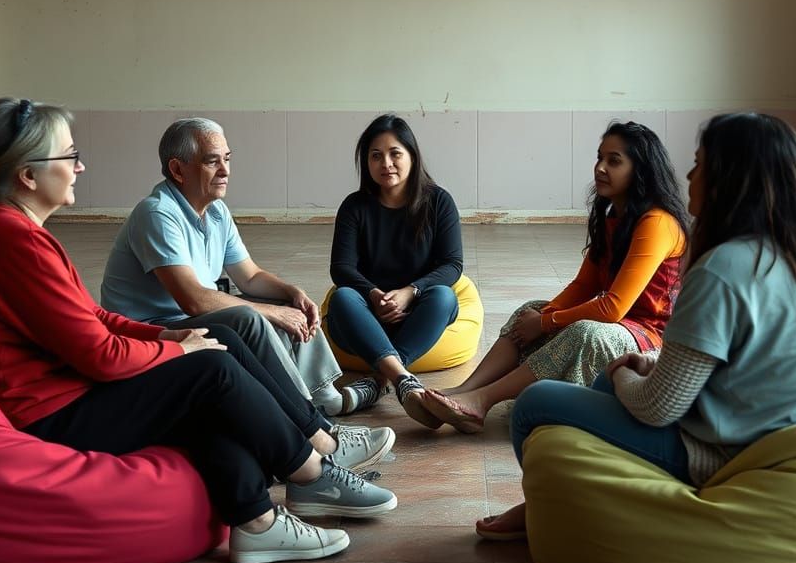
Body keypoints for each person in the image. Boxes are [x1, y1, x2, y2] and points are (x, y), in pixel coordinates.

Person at [0, 97, 398, 563]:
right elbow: (100, 355)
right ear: (28, 175)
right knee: (211, 372)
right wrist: (176, 349)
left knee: (219, 346)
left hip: (60, 388)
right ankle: (312, 472)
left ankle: (257, 520)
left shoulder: (11, 232)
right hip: (48, 412)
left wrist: (171, 341)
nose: (80, 168)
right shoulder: (13, 243)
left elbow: (93, 318)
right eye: (71, 157)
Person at [479, 112, 796, 540]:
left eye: (700, 163)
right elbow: (744, 361)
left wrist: (622, 372)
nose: (688, 175)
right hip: (794, 435)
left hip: (735, 455)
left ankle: (545, 507)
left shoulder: (722, 267)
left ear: (732, 180)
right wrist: (644, 367)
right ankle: (555, 487)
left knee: (535, 404)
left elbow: (659, 407)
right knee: (616, 379)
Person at [422, 122, 688, 432]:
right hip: (620, 327)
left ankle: (481, 402)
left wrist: (546, 323)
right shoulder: (613, 217)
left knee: (585, 332)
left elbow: (613, 307)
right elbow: (584, 286)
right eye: (599, 157)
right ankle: (462, 391)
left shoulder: (657, 222)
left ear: (640, 170)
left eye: (614, 161)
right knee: (529, 309)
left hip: (650, 342)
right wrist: (540, 317)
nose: (600, 168)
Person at [101, 118, 348, 418]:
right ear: (178, 170)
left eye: (227, 159)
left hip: (191, 315)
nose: (226, 171)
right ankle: (303, 416)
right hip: (154, 328)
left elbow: (250, 276)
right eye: (212, 162)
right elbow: (193, 299)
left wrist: (291, 293)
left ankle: (324, 396)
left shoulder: (216, 211)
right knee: (250, 316)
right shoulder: (156, 214)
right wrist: (270, 312)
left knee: (285, 304)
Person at [327, 114, 463, 427]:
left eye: (395, 153)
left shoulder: (438, 202)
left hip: (416, 315)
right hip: (366, 316)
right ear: (366, 162)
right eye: (376, 156)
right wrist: (374, 295)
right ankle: (402, 378)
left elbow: (452, 264)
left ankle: (379, 380)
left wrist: (410, 292)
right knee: (343, 298)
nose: (386, 163)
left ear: (412, 157)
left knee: (444, 296)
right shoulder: (354, 206)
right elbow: (341, 268)